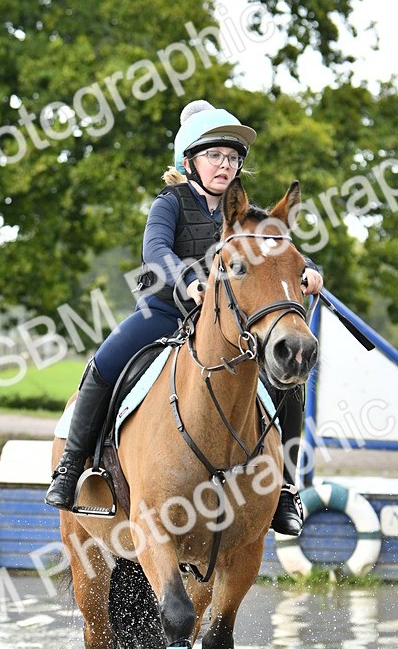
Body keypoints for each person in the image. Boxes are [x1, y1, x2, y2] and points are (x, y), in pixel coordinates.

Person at [45, 99, 323, 534]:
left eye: (232, 158)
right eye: (215, 156)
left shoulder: (247, 215)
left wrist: (310, 272)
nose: (225, 165)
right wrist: (188, 282)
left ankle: (285, 488)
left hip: (226, 328)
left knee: (287, 383)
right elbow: (155, 251)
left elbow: (278, 255)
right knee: (104, 363)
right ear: (189, 160)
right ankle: (72, 467)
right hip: (164, 312)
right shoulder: (170, 202)